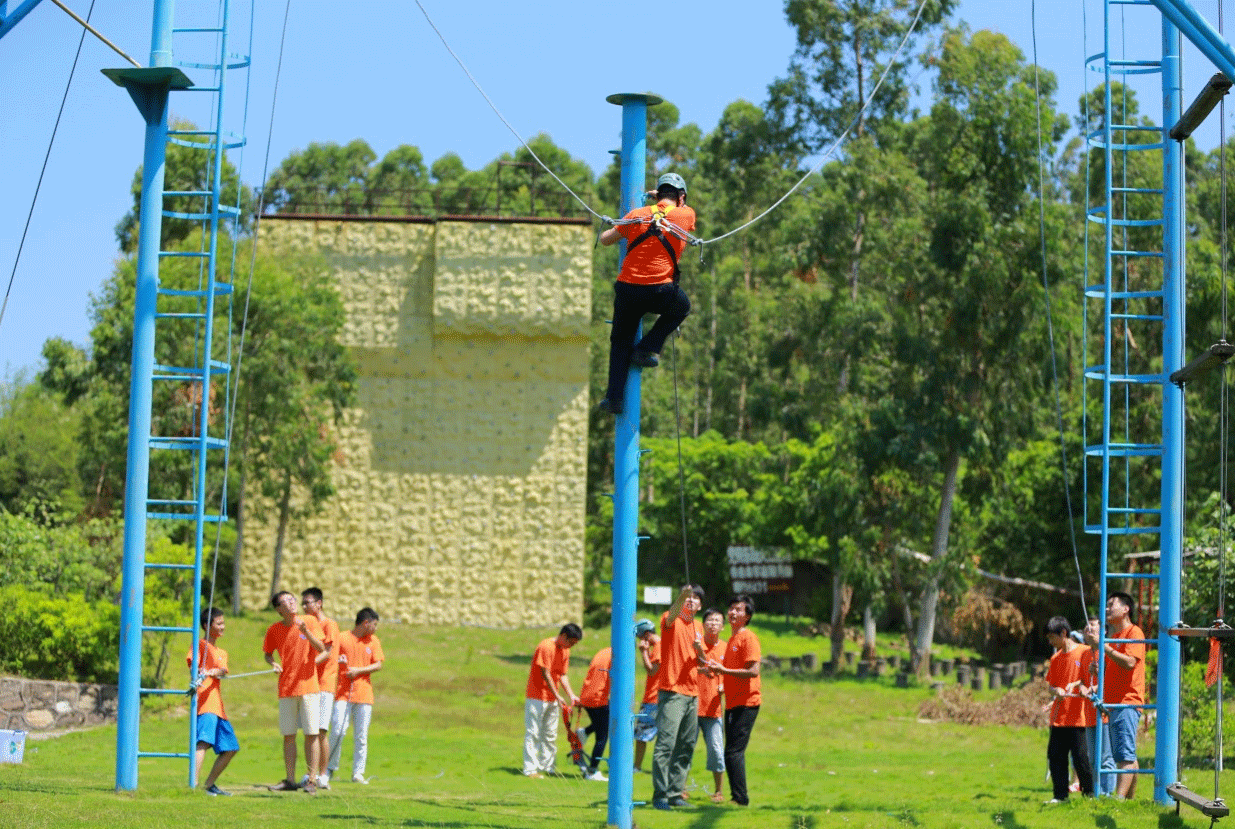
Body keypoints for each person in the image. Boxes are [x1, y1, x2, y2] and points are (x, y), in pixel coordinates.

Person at [597, 172, 696, 415]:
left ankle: (614, 400)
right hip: (659, 291)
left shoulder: (636, 216)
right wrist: (666, 201)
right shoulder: (686, 214)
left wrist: (649, 206)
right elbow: (676, 212)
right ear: (681, 196)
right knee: (682, 307)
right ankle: (646, 348)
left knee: (620, 341)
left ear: (658, 194)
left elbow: (605, 239)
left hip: (628, 290)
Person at [263, 590, 327, 794]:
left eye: (293, 599)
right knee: (289, 735)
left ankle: (312, 780)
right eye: (286, 601)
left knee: (311, 734)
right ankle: (290, 780)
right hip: (286, 688)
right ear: (279, 609)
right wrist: (273, 663)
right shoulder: (274, 630)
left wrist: (306, 631)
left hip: (309, 687)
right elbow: (267, 653)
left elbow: (321, 648)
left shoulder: (309, 620)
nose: (292, 603)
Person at [1084, 591, 1146, 799]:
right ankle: (1130, 800)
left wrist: (1104, 646)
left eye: (1112, 604)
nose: (1107, 608)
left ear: (1126, 609)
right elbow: (1113, 670)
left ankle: (1118, 800)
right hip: (1113, 703)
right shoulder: (1114, 636)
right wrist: (1097, 670)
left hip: (1127, 701)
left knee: (1124, 756)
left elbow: (1129, 663)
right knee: (1125, 754)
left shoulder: (1134, 632)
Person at [652, 584, 704, 810]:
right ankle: (660, 796)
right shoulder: (670, 618)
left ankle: (675, 794)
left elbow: (700, 661)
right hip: (672, 692)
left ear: (700, 605)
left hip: (693, 693)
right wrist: (681, 595)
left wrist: (700, 650)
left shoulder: (698, 626)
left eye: (695, 599)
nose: (691, 601)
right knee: (666, 744)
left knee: (686, 746)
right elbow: (671, 615)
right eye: (688, 598)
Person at [706, 594, 761, 807]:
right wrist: (718, 677)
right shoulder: (732, 641)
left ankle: (740, 798)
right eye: (731, 608)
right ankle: (737, 796)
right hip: (732, 702)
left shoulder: (748, 638)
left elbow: (753, 670)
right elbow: (731, 673)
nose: (733, 612)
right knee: (731, 752)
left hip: (747, 702)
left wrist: (724, 670)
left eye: (738, 609)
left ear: (747, 616)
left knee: (733, 752)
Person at [326, 607, 384, 785]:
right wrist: (339, 662)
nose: (375, 628)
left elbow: (378, 664)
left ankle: (358, 772)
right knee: (337, 730)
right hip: (343, 693)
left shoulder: (373, 641)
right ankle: (329, 768)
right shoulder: (342, 638)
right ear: (366, 623)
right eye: (374, 624)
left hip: (364, 694)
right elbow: (330, 659)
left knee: (361, 735)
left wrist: (359, 670)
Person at [1043, 616, 1095, 804]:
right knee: (1056, 757)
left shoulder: (1084, 652)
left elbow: (1092, 681)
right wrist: (1055, 690)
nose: (1050, 642)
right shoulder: (1056, 658)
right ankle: (1060, 795)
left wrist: (1080, 687)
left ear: (1063, 633)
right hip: (1058, 717)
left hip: (1078, 717)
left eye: (1052, 637)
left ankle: (1089, 794)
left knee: (1081, 759)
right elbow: (1051, 685)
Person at [187, 607, 238, 796]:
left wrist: (214, 671)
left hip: (218, 705)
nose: (223, 627)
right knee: (203, 742)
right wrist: (201, 672)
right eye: (219, 623)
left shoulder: (222, 652)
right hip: (205, 703)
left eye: (223, 623)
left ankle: (208, 785)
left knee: (231, 747)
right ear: (207, 626)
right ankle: (193, 785)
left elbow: (223, 670)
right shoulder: (199, 644)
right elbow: (193, 664)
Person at [523, 623, 582, 778]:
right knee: (533, 732)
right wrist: (557, 695)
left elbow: (562, 675)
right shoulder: (545, 646)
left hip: (553, 698)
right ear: (563, 636)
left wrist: (571, 695)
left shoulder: (565, 651)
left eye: (574, 644)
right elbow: (546, 673)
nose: (571, 646)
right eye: (571, 642)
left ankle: (548, 767)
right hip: (536, 696)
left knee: (550, 734)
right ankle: (530, 769)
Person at [301, 586, 340, 790]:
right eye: (303, 603)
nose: (305, 606)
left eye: (308, 602)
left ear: (319, 603)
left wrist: (308, 664)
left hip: (325, 683)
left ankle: (323, 775)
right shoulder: (309, 625)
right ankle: (311, 773)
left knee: (321, 731)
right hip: (310, 683)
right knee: (310, 731)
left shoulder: (329, 624)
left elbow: (327, 651)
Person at [695, 608, 727, 804]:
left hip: (714, 708)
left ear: (723, 627)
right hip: (692, 705)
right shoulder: (695, 646)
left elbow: (730, 673)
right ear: (703, 624)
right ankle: (680, 789)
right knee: (685, 749)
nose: (713, 623)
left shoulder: (725, 647)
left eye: (717, 621)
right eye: (709, 620)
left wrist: (725, 685)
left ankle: (718, 791)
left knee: (716, 749)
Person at [576, 644, 612, 781]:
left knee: (602, 724)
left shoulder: (603, 651)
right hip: (598, 697)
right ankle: (592, 771)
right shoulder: (617, 655)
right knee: (602, 737)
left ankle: (584, 732)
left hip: (587, 695)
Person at [633, 619, 660, 773]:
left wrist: (643, 652)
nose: (640, 641)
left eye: (640, 638)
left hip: (653, 699)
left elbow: (652, 670)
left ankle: (637, 767)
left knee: (641, 734)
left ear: (647, 635)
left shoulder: (658, 647)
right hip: (654, 698)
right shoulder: (658, 647)